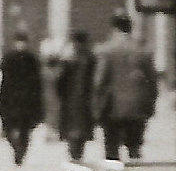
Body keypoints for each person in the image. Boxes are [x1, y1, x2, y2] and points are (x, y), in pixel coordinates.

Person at [93, 11, 159, 162]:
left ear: (114, 27)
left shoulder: (106, 50)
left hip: (112, 108)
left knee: (111, 150)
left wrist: (97, 107)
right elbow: (152, 82)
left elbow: (99, 81)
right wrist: (150, 106)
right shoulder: (143, 51)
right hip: (138, 108)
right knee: (134, 148)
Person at [0, 30, 45, 165]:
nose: (21, 45)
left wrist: (37, 103)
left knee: (25, 130)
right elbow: (4, 82)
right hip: (11, 100)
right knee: (7, 128)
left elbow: (37, 83)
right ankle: (17, 148)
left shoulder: (32, 60)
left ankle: (20, 152)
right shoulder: (9, 59)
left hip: (26, 101)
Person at [56, 29, 96, 160]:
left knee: (72, 130)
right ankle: (77, 153)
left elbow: (59, 82)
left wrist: (61, 95)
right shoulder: (91, 59)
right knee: (82, 130)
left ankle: (74, 153)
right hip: (86, 100)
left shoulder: (68, 60)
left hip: (70, 100)